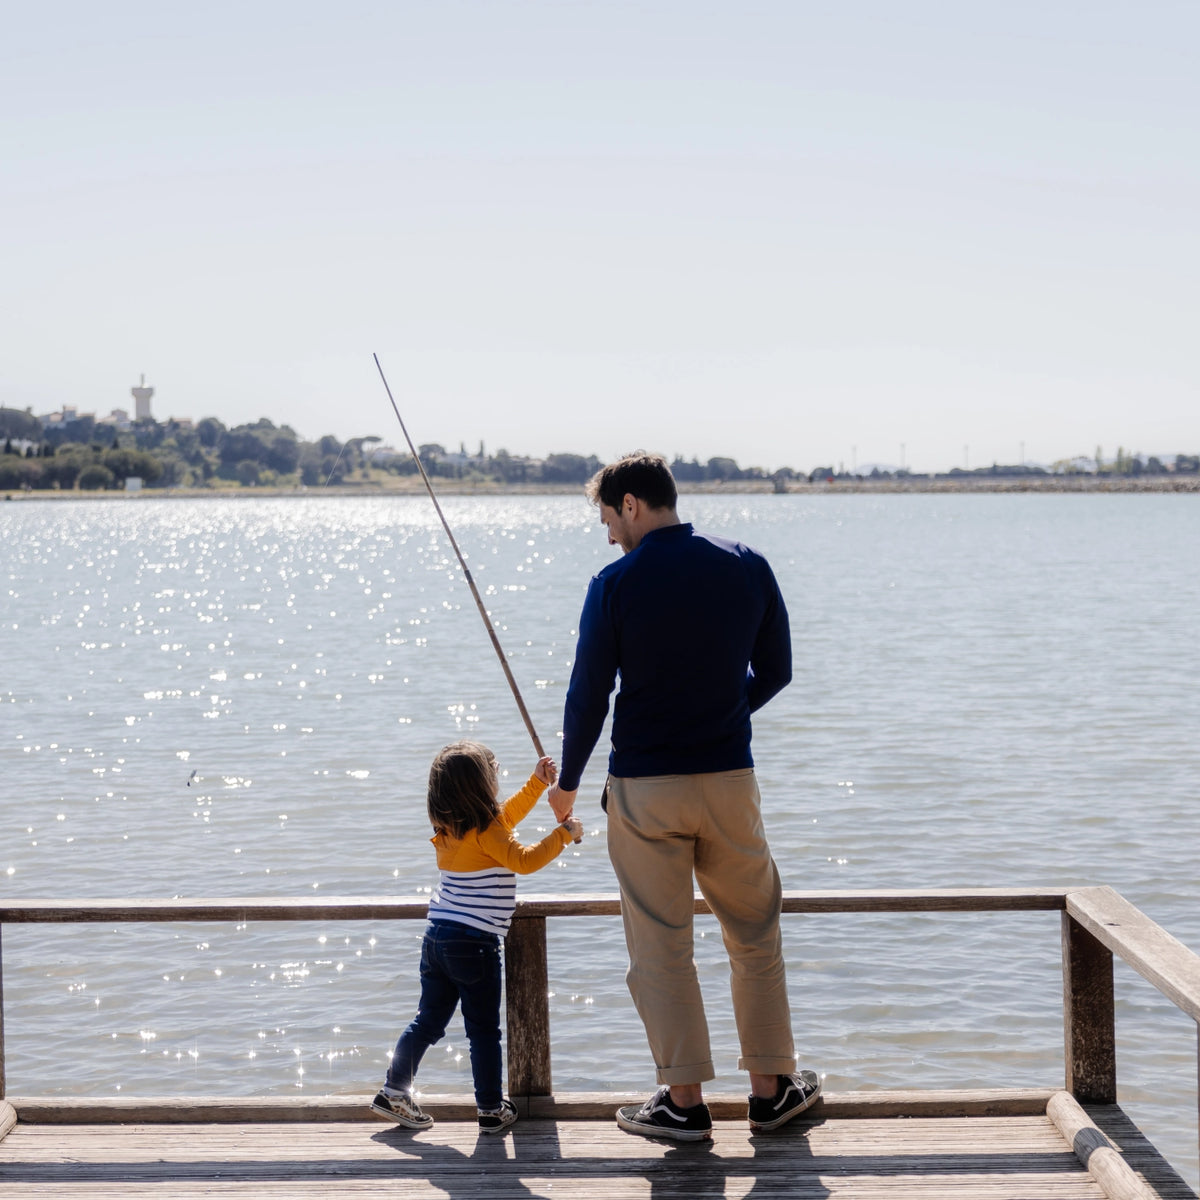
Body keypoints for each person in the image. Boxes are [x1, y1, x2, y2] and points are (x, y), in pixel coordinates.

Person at [547, 451, 821, 1141]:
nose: (609, 534)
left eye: (609, 518)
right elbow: (779, 670)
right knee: (755, 933)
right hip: (730, 780)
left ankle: (684, 1102)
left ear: (631, 504)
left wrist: (567, 785)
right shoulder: (747, 563)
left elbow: (587, 699)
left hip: (644, 789)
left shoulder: (613, 583)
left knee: (661, 945)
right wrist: (725, 715)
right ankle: (772, 1089)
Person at [373, 740, 584, 1135]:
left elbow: (506, 819)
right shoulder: (488, 832)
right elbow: (524, 860)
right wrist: (564, 833)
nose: (497, 779)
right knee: (483, 1031)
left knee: (428, 1021)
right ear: (480, 786)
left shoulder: (450, 829)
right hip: (475, 943)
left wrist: (537, 784)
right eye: (494, 773)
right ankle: (490, 1108)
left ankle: (393, 1090)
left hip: (437, 937)